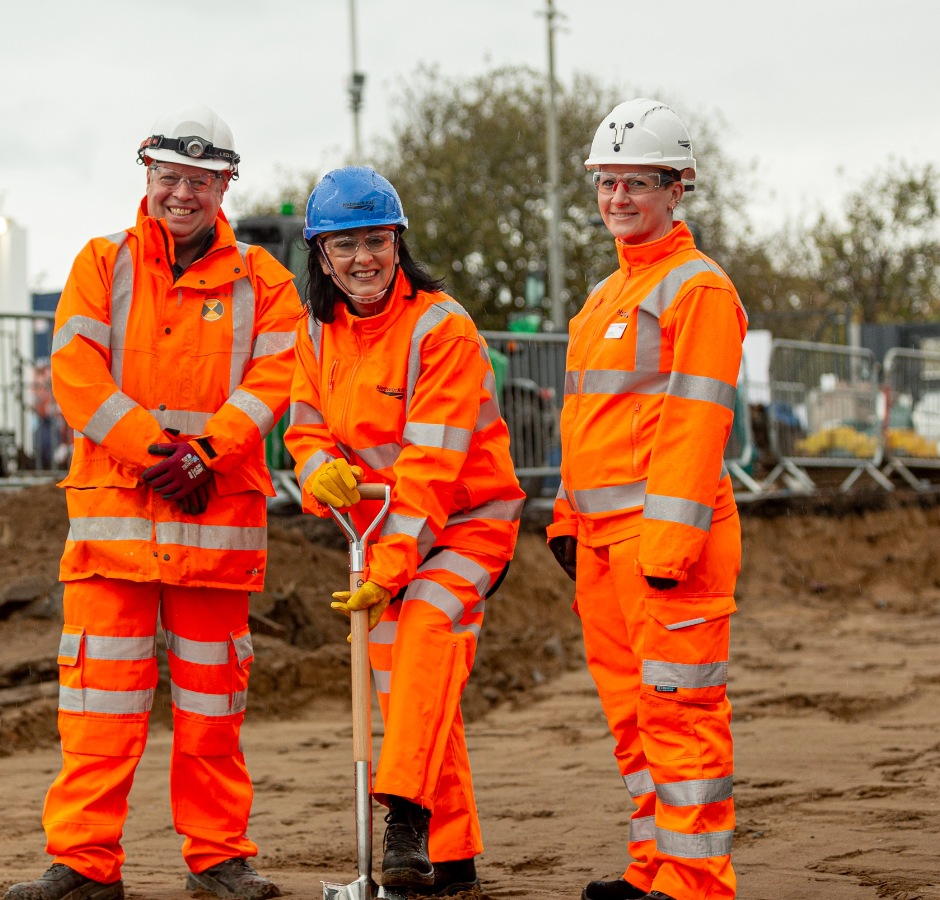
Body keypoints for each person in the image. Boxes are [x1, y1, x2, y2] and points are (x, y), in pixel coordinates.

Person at [5, 104, 304, 900]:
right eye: (169, 177)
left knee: (212, 714)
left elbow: (278, 378)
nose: (183, 194)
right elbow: (75, 373)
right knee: (98, 712)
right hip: (117, 527)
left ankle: (220, 859)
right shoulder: (102, 263)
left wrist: (207, 452)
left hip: (212, 527)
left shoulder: (266, 283)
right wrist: (155, 452)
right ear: (148, 176)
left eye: (200, 181)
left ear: (226, 184)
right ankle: (82, 864)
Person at [284, 168, 525, 895]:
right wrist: (317, 466)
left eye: (376, 241)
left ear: (399, 243)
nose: (363, 259)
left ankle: (405, 815)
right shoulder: (314, 330)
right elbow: (305, 426)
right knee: (417, 693)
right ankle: (450, 863)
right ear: (321, 256)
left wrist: (389, 570)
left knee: (422, 635)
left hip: (469, 523)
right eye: (345, 245)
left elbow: (431, 465)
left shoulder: (441, 326)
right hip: (383, 531)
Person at [546, 100, 747, 900]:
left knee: (680, 718)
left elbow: (695, 428)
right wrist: (567, 519)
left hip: (666, 548)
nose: (618, 198)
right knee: (634, 724)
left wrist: (665, 550)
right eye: (607, 183)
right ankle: (653, 871)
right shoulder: (605, 298)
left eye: (636, 183)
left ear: (678, 188)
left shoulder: (696, 289)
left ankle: (695, 885)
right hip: (603, 547)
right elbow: (585, 421)